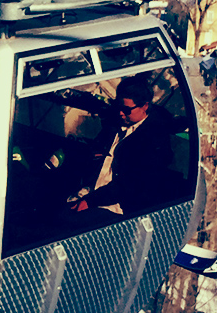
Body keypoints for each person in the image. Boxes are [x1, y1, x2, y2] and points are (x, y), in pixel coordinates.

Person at [69, 74, 177, 217]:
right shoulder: (114, 125)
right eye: (118, 107)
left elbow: (132, 184)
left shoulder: (154, 140)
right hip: (88, 193)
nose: (120, 113)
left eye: (126, 110)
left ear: (145, 106)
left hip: (115, 208)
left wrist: (91, 201)